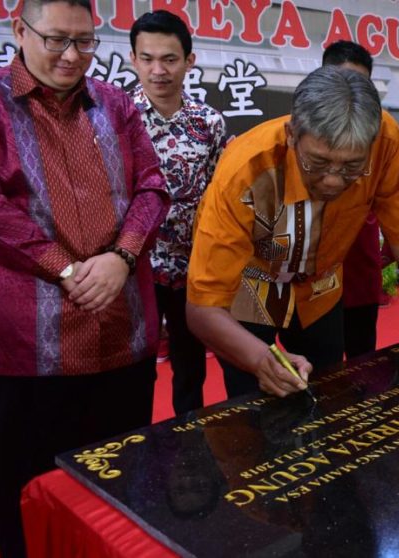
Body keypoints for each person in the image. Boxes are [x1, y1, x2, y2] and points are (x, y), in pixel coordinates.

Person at [0, 0, 170, 555]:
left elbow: (153, 187)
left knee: (119, 493)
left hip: (119, 339)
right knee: (25, 498)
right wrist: (69, 268)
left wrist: (123, 257)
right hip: (23, 351)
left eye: (84, 42)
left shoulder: (116, 104)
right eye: (57, 40)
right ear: (18, 29)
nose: (72, 56)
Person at [186, 65, 399, 400]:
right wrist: (259, 359)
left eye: (351, 167)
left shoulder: (385, 140)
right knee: (255, 405)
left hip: (320, 286)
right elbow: (202, 308)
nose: (333, 180)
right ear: (291, 135)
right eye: (316, 163)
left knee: (327, 394)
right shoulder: (245, 170)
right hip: (255, 285)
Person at [129, 10, 226, 415]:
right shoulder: (117, 117)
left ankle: (190, 450)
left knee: (190, 371)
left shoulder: (210, 123)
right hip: (134, 270)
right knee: (135, 372)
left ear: (189, 60)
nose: (158, 70)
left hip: (193, 269)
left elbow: (220, 196)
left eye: (169, 59)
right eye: (147, 58)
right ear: (132, 60)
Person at [322, 40, 383, 360]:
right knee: (320, 368)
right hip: (311, 280)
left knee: (364, 364)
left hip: (359, 271)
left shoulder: (383, 137)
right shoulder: (302, 132)